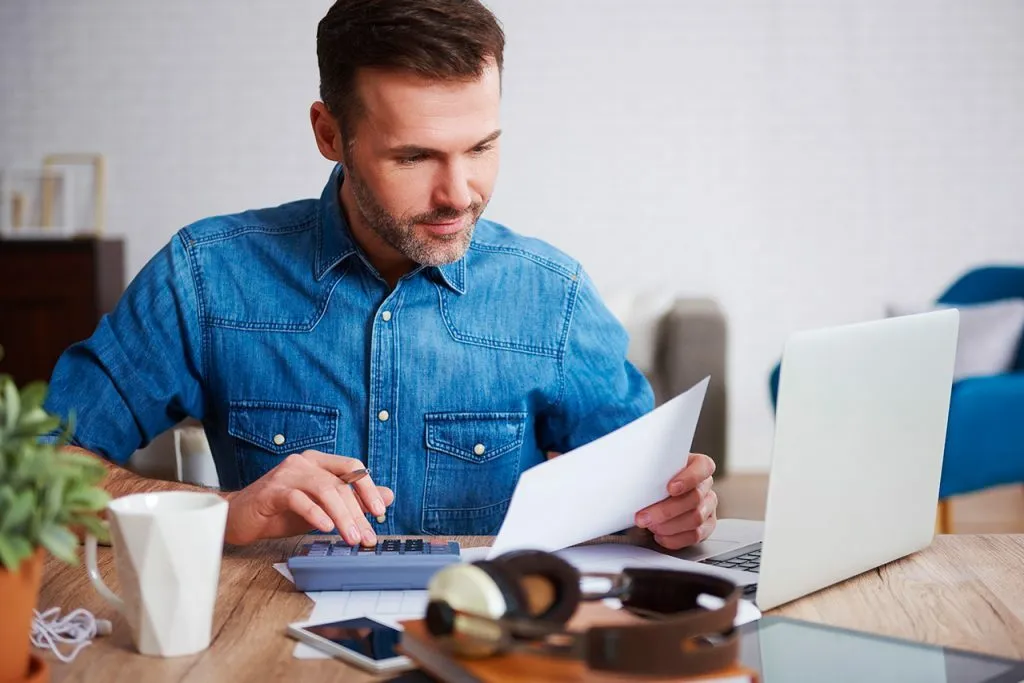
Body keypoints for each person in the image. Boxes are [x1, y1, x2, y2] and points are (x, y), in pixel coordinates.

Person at [44, 0, 718, 551]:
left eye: (482, 146)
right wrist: (226, 511)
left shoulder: (554, 297)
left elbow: (644, 509)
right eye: (414, 156)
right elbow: (37, 470)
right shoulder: (205, 278)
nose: (460, 193)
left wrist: (676, 513)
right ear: (330, 135)